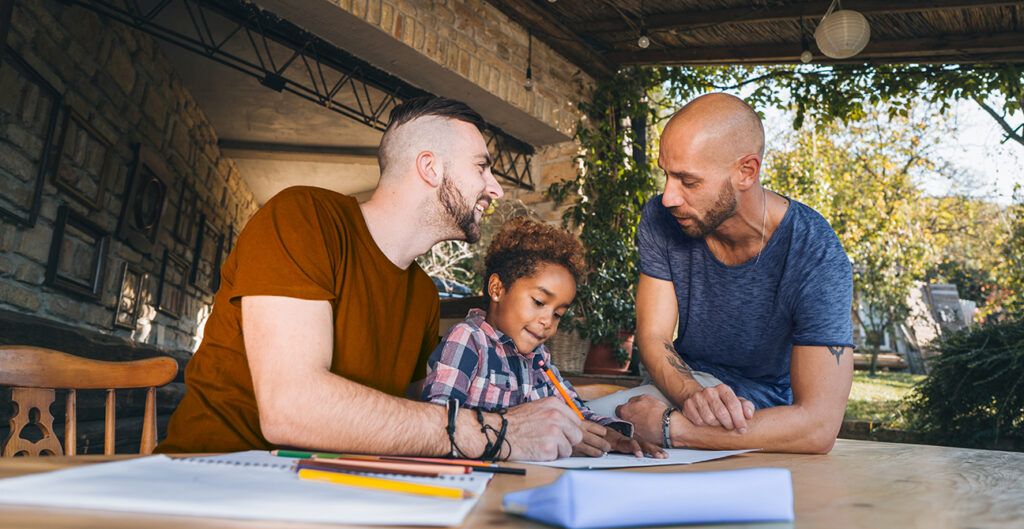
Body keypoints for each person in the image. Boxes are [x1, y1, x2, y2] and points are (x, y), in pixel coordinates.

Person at [157, 97, 585, 460]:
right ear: (430, 168)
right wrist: (492, 432)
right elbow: (291, 408)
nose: (496, 189)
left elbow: (408, 416)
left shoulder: (420, 292)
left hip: (330, 493)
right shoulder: (303, 217)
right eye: (481, 167)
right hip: (215, 480)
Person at [614, 93, 855, 454]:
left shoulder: (815, 252)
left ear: (746, 172)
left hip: (762, 421)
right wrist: (693, 395)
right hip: (678, 390)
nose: (668, 197)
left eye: (688, 181)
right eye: (666, 175)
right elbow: (652, 336)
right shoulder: (661, 218)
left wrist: (671, 428)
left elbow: (818, 426)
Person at [419, 218, 665, 459]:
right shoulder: (469, 340)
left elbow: (576, 413)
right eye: (538, 302)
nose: (548, 321)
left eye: (558, 314)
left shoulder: (540, 360)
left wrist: (614, 436)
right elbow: (441, 418)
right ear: (497, 289)